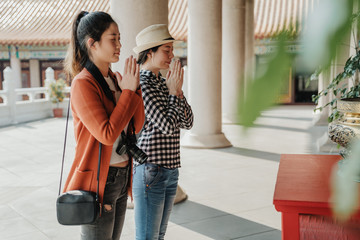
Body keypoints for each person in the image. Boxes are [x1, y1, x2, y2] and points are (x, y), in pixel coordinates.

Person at [62, 11, 145, 240]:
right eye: (113, 39)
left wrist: (133, 88)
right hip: (100, 180)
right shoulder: (83, 84)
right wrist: (127, 92)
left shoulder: (116, 78)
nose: (120, 44)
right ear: (93, 44)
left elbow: (136, 126)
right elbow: (107, 134)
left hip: (121, 174)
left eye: (119, 38)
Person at [132, 24, 194, 240]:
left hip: (170, 168)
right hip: (151, 168)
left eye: (171, 50)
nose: (172, 55)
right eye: (166, 50)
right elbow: (168, 127)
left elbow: (188, 122)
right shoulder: (144, 83)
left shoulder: (163, 82)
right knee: (148, 236)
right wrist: (173, 93)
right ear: (150, 52)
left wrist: (176, 93)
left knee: (158, 235)